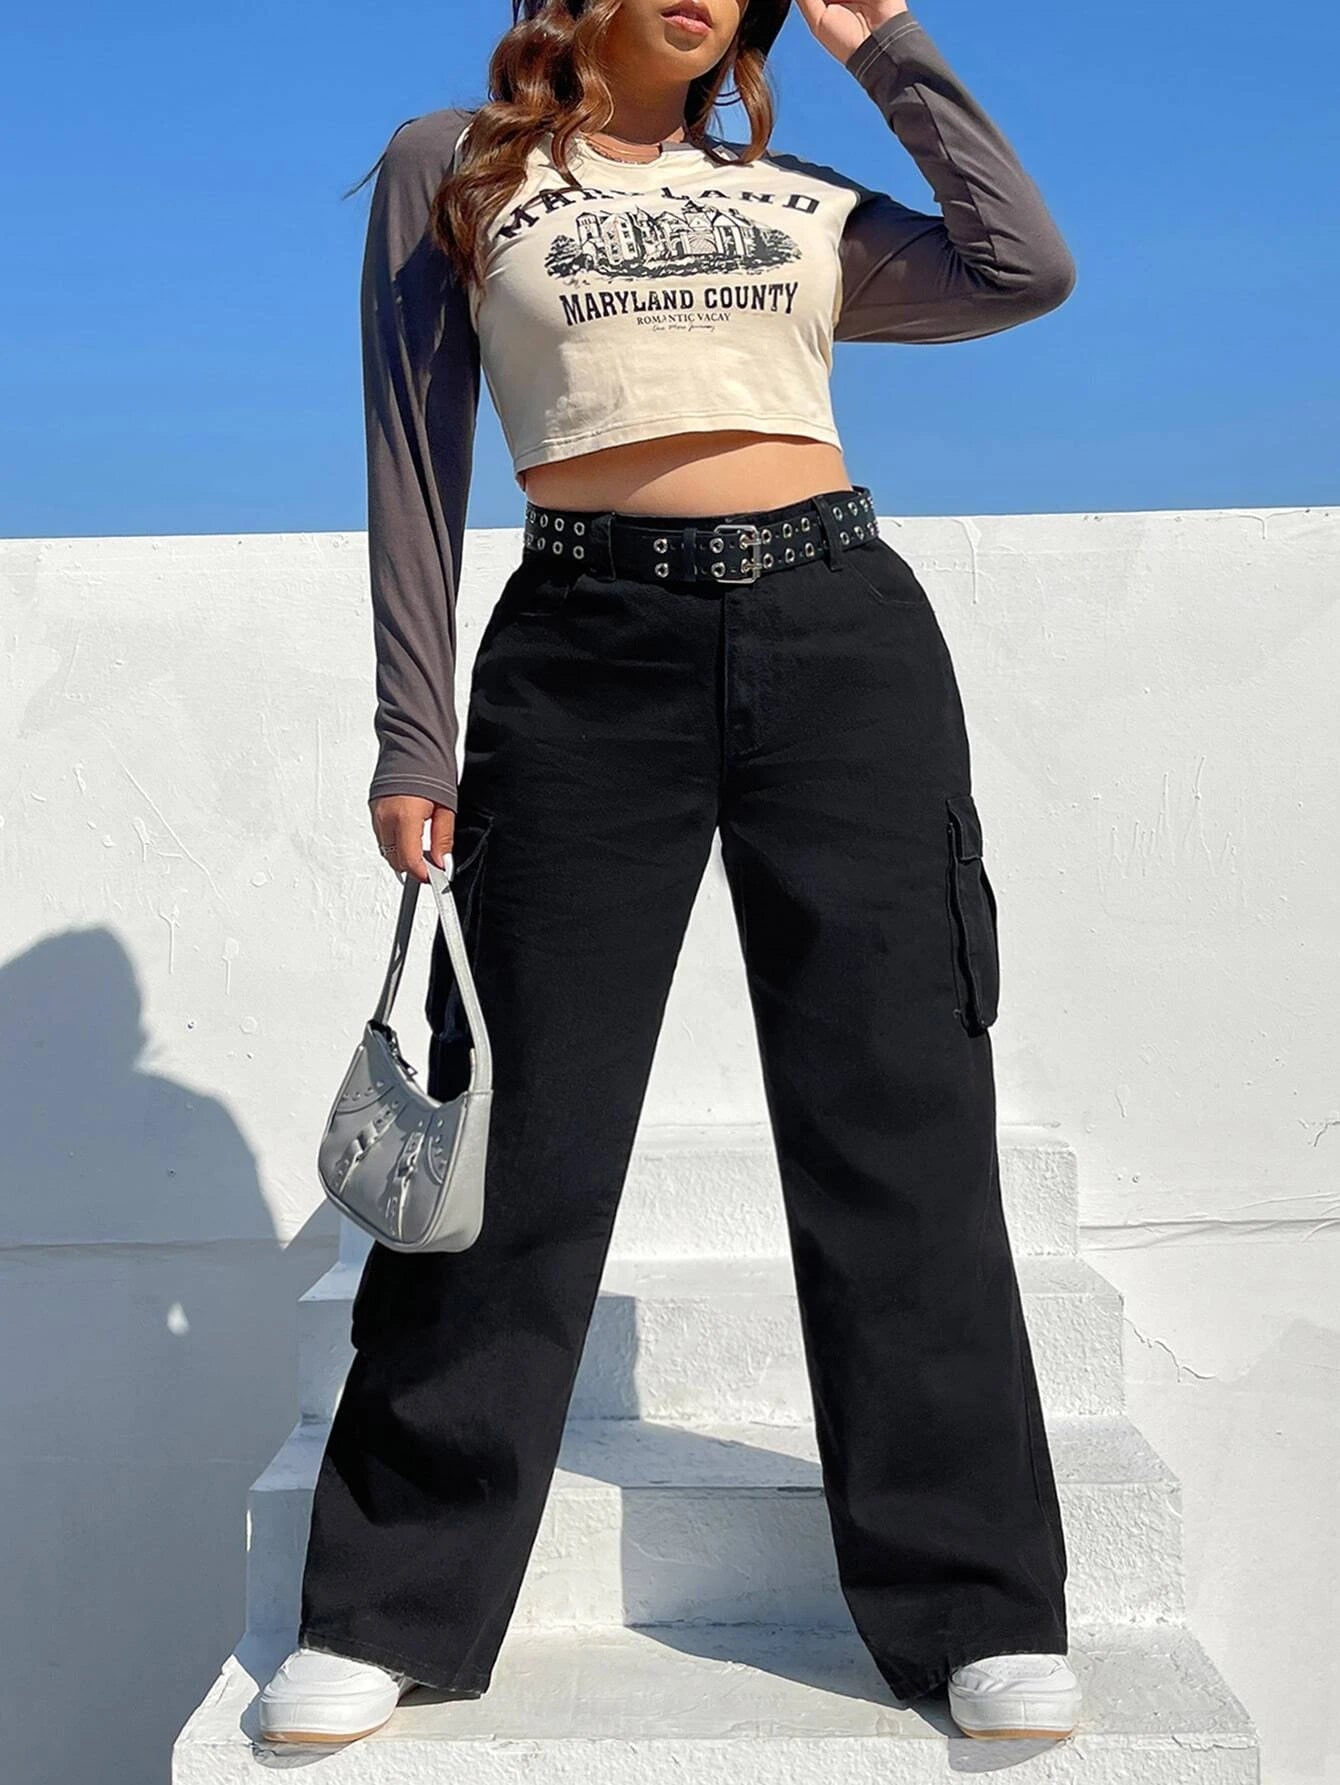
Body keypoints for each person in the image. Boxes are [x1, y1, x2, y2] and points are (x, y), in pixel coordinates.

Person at [260, 0, 1081, 1748]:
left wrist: (884, 39)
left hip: (841, 636)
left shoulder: (800, 200)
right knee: (523, 1130)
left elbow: (1023, 266)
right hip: (583, 650)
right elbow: (412, 453)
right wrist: (414, 731)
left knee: (900, 1113)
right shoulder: (455, 169)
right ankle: (392, 1604)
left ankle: (978, 1604)